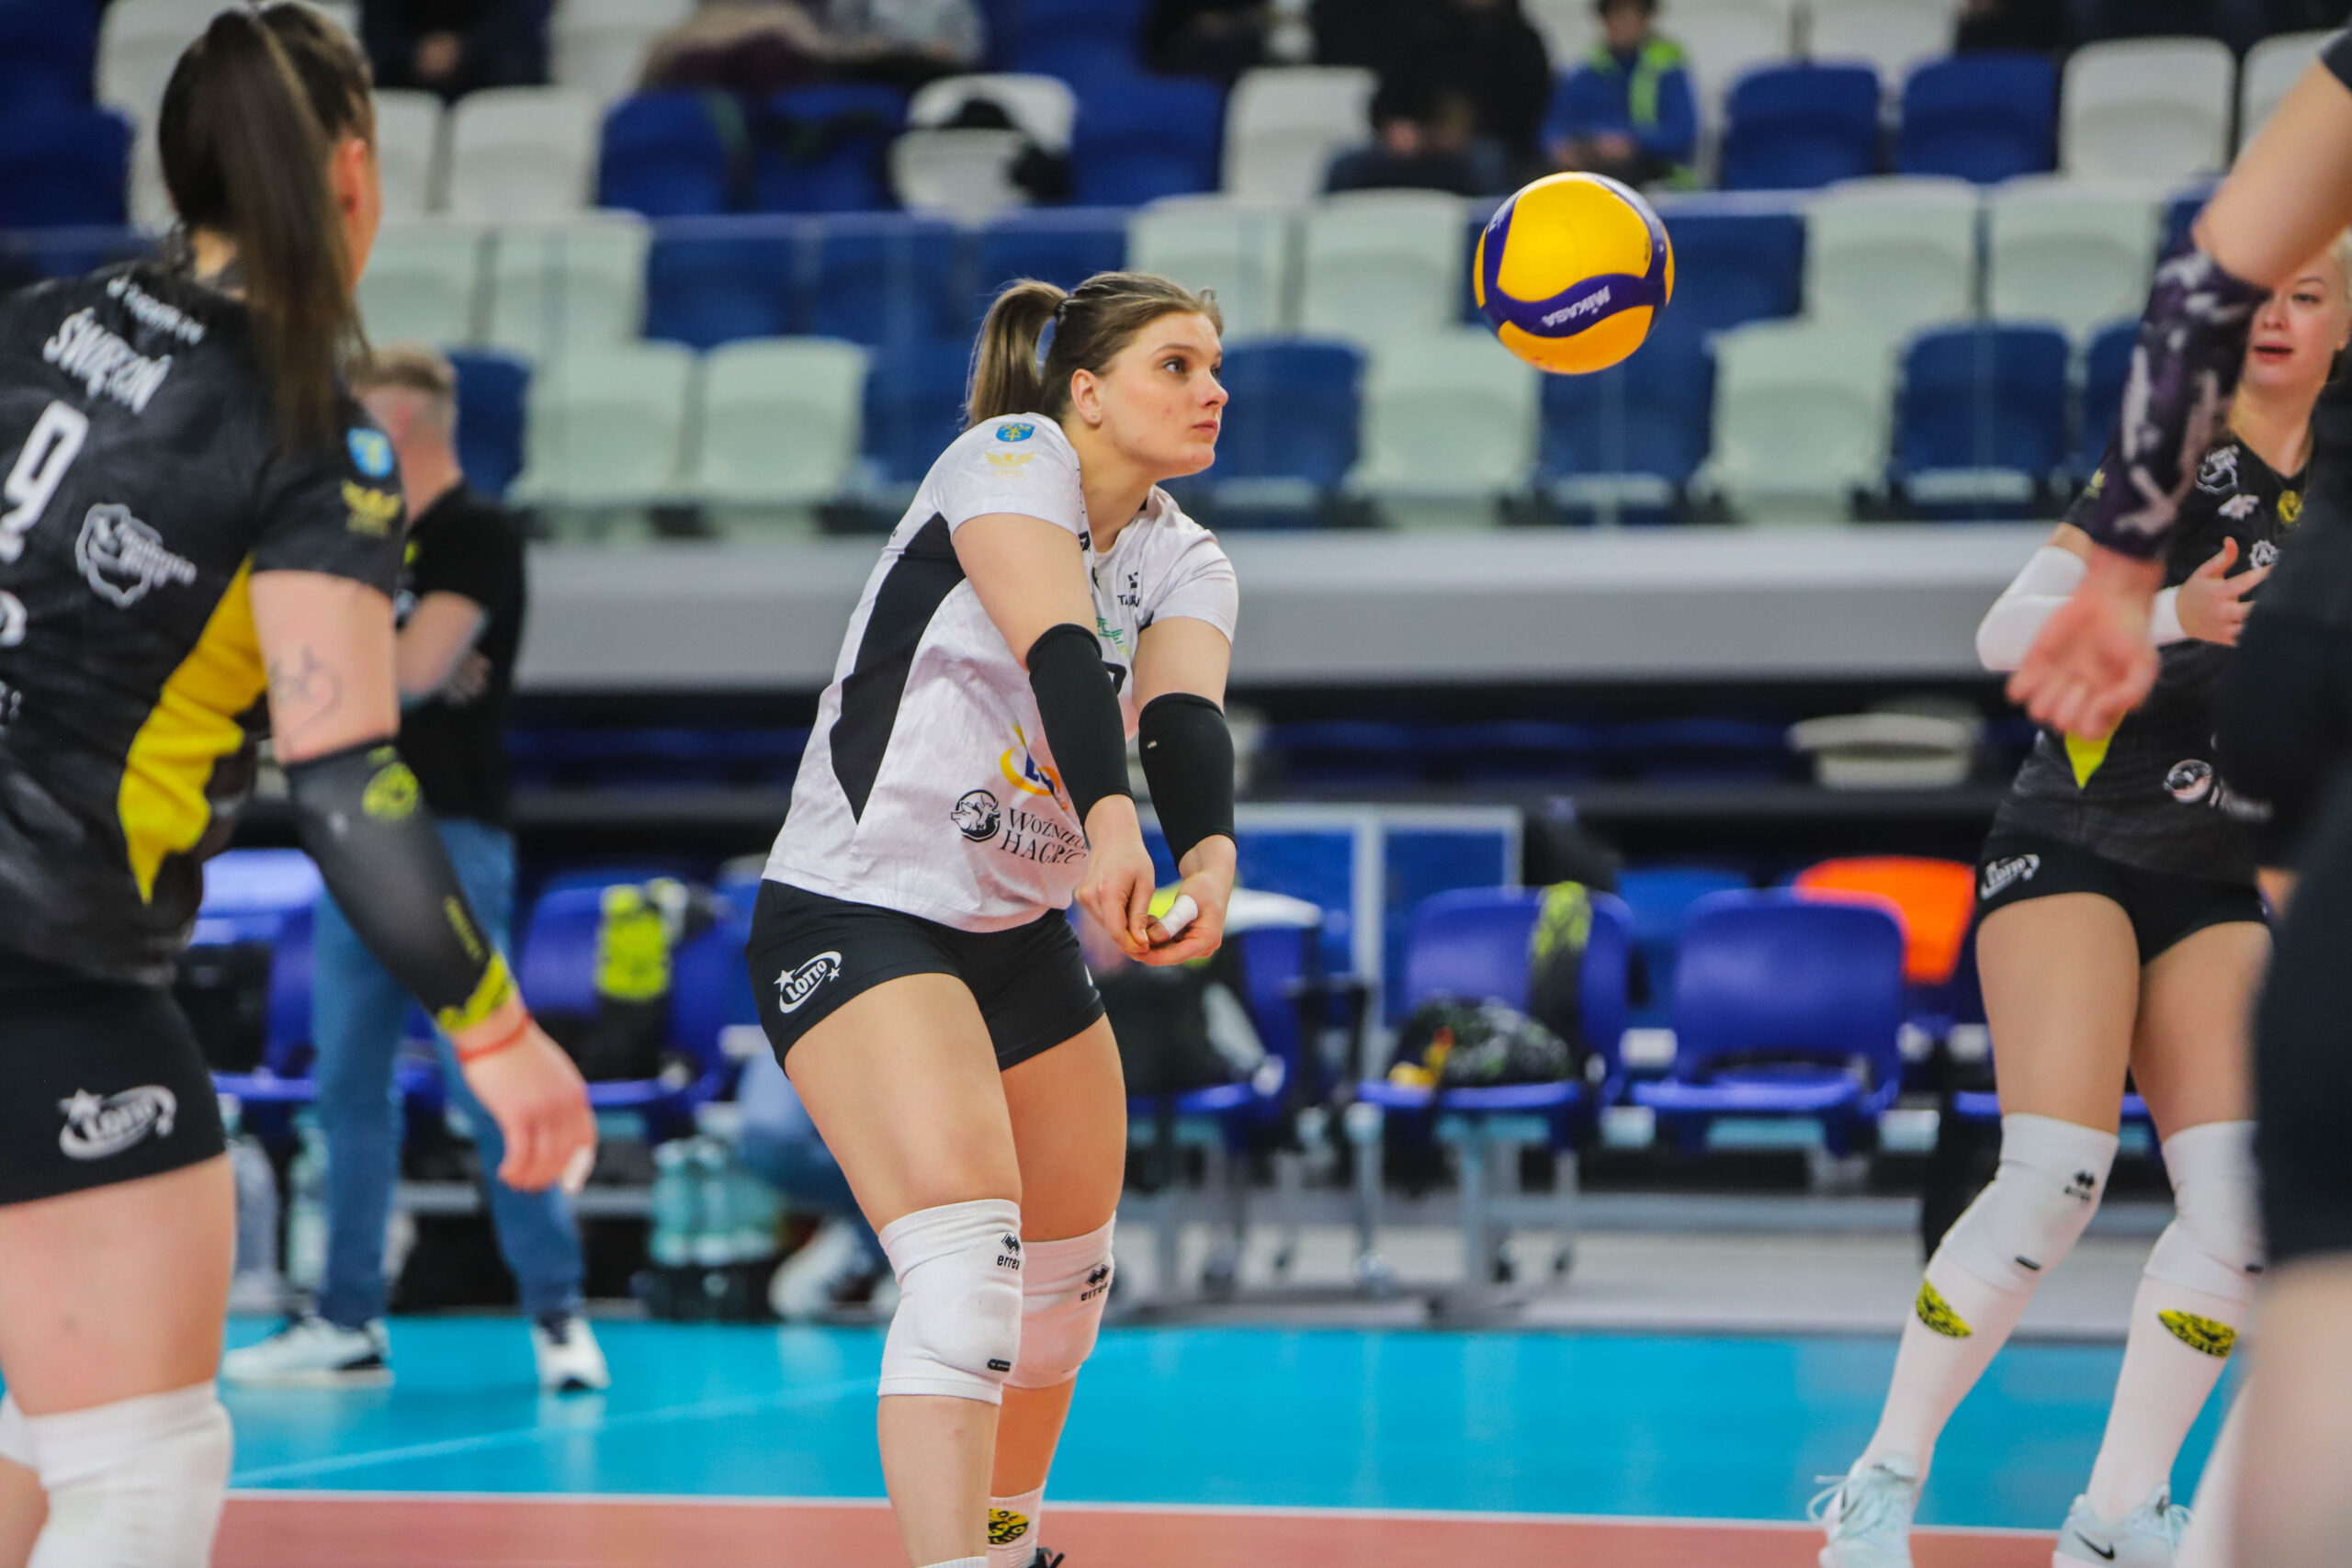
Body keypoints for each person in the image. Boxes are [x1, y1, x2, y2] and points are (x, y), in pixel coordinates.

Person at [0, 8, 594, 1566]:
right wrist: (497, 1029)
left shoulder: (33, 322)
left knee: (45, 1440)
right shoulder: (308, 434)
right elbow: (342, 778)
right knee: (138, 1466)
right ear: (350, 169)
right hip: (48, 965)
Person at [1815, 238, 2352, 1568]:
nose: (2278, 317)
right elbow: (2004, 633)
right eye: (2262, 293)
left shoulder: (2337, 495)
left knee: (2238, 1210)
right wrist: (2174, 611)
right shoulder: (2169, 462)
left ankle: (2115, 1514)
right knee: (2053, 1175)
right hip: (2071, 846)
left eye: (2310, 295)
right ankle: (1880, 1483)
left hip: (2215, 875)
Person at [743, 270, 1239, 1568]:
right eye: (1175, 365)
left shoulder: (1186, 554)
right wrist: (1115, 828)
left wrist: (1209, 859)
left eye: (1214, 367)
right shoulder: (1008, 457)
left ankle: (1005, 1547)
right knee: (967, 1274)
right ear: (1087, 392)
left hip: (1013, 935)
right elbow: (1060, 647)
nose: (1211, 390)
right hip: (859, 909)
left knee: (1064, 1295)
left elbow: (1183, 718)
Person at [2008, 31, 2352, 1565]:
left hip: (2304, 699)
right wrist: (2138, 585)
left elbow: (2205, 285)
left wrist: (2123, 571)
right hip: (2256, 738)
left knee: (2314, 1244)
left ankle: (2140, 1522)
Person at [222, 344, 607, 1395]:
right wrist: (370, 665)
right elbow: (366, 674)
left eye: (358, 413)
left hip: (450, 837)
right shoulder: (354, 535)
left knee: (487, 1078)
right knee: (346, 1085)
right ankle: (346, 1318)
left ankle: (558, 1310)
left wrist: (353, 664)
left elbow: (409, 673)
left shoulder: (474, 533)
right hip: (355, 837)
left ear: (399, 419)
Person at [1323, 0, 1552, 196]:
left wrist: (1464, 136)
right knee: (1345, 166)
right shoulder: (1422, 30)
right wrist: (1396, 127)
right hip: (1414, 149)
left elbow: (1529, 117)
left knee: (1490, 162)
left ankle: (1493, 233)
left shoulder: (1522, 43)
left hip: (1478, 152)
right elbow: (1384, 99)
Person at [1542, 0, 1696, 188]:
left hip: (1654, 176)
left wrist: (1632, 144)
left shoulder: (1667, 70)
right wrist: (1563, 149)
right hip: (1588, 175)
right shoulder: (1583, 73)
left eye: (1632, 14)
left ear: (1646, 19)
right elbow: (1552, 128)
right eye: (1616, 14)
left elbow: (1681, 134)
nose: (1623, 23)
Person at [361, 0, 547, 99]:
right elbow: (378, 29)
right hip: (403, 68)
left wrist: (462, 49)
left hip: (484, 68)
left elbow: (507, 22)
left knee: (515, 68)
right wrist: (416, 53)